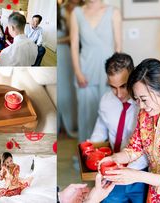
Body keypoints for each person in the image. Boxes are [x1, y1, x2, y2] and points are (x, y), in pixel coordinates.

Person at [99, 58, 160, 202]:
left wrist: (136, 176)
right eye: (137, 99)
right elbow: (135, 148)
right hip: (153, 195)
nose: (140, 106)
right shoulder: (146, 114)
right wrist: (114, 158)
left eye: (144, 99)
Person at [90, 53, 148, 203]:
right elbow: (101, 129)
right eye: (113, 87)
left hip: (140, 173)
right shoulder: (106, 101)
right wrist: (90, 151)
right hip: (113, 171)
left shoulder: (145, 104)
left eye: (123, 86)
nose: (119, 93)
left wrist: (129, 172)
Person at [70, 0, 122, 142]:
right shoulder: (77, 13)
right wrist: (78, 72)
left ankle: (108, 155)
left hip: (108, 69)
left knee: (108, 112)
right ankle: (85, 155)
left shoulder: (114, 12)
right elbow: (74, 45)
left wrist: (114, 72)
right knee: (86, 114)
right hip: (85, 67)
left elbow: (118, 46)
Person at [57, 0, 82, 136]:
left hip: (63, 53)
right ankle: (58, 125)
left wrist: (56, 41)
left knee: (66, 88)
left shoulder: (63, 13)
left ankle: (68, 124)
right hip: (56, 54)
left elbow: (71, 36)